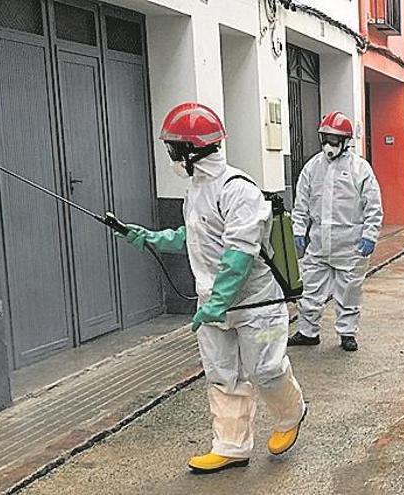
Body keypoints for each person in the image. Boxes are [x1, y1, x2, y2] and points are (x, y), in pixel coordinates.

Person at [118, 102, 306, 474]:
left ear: (191, 150)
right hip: (213, 304)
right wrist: (153, 238)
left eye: (174, 148)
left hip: (256, 304)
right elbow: (197, 235)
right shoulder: (197, 189)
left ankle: (291, 414)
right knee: (222, 375)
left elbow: (238, 253)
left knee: (265, 371)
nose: (171, 156)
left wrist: (218, 301)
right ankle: (232, 446)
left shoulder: (239, 189)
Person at [287, 111, 383, 352]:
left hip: (350, 244)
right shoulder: (312, 168)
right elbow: (301, 205)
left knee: (349, 292)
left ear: (345, 141)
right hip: (319, 243)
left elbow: (373, 205)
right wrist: (299, 230)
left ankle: (347, 333)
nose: (329, 146)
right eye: (326, 139)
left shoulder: (360, 169)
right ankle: (308, 332)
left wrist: (370, 235)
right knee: (309, 289)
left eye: (334, 140)